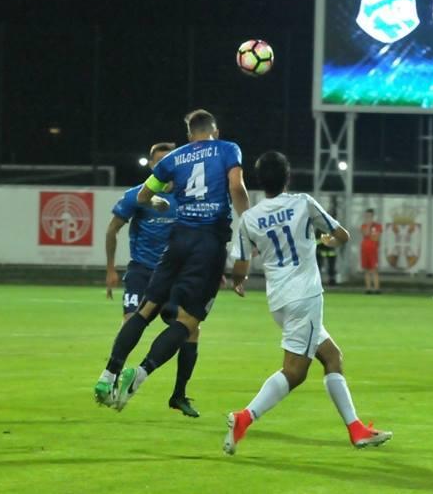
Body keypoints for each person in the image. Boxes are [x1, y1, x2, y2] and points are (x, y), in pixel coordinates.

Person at [223, 151, 391, 455]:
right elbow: (342, 235)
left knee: (332, 357)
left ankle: (356, 429)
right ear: (287, 178)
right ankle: (244, 417)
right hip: (305, 297)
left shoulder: (249, 218)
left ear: (260, 182)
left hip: (279, 302)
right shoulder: (302, 202)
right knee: (295, 372)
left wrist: (238, 282)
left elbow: (241, 265)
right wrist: (328, 241)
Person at [94, 109, 249, 410]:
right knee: (188, 322)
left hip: (177, 241)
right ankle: (139, 374)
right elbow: (235, 186)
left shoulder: (175, 158)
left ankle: (107, 374)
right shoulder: (228, 149)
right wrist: (250, 218)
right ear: (215, 131)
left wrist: (157, 201)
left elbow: (143, 196)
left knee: (144, 312)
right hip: (208, 243)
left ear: (190, 136)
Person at [104, 141, 201, 417]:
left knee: (191, 329)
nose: (164, 167)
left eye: (168, 161)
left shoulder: (187, 198)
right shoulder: (138, 195)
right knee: (130, 320)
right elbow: (112, 230)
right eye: (159, 162)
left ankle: (179, 394)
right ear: (152, 166)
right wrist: (110, 269)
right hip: (142, 272)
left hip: (174, 275)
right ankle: (112, 379)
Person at [360, 209, 382, 294]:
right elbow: (365, 234)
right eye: (366, 216)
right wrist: (369, 226)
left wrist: (371, 235)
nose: (368, 217)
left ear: (372, 216)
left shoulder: (377, 226)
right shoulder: (364, 226)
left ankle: (377, 289)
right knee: (366, 270)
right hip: (364, 250)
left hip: (373, 250)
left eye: (369, 216)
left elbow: (376, 238)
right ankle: (368, 289)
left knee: (374, 270)